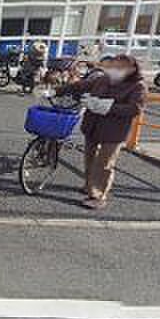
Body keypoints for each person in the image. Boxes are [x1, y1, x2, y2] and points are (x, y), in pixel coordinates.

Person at [55, 54, 146, 209]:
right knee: (89, 158)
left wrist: (107, 107)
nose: (114, 70)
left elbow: (135, 108)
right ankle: (89, 185)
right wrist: (56, 91)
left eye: (120, 67)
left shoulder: (138, 86)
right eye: (113, 66)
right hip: (93, 125)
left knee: (105, 163)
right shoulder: (103, 79)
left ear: (132, 69)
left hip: (114, 130)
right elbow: (81, 86)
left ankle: (98, 195)